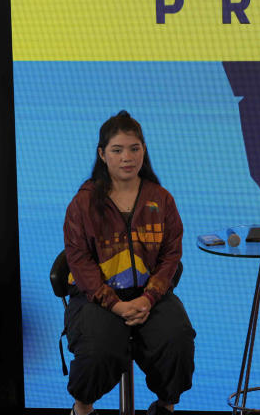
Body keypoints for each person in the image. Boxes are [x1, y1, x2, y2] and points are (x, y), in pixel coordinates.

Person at [63, 111, 195, 415]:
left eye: (134, 148)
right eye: (117, 150)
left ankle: (165, 406)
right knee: (98, 350)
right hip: (95, 298)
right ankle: (82, 408)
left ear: (144, 150)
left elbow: (171, 254)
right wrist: (116, 305)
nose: (127, 157)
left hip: (151, 296)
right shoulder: (82, 203)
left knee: (178, 340)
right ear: (102, 154)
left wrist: (148, 298)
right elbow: (79, 259)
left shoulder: (161, 199)